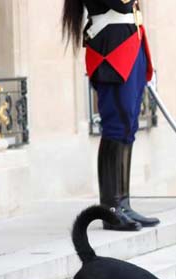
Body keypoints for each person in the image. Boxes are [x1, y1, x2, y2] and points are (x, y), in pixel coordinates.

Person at [62, 0, 159, 231]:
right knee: (116, 125)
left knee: (128, 126)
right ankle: (110, 208)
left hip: (130, 44)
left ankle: (123, 202)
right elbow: (122, 4)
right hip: (112, 50)